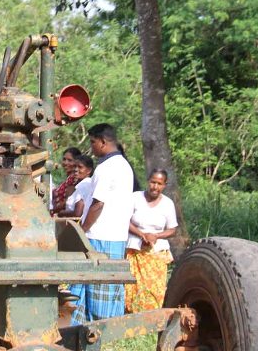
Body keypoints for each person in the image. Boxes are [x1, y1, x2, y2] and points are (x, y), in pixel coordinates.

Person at [70, 123, 134, 325]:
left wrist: (81, 231)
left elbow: (98, 204)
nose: (92, 147)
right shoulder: (123, 165)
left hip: (101, 236)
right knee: (103, 288)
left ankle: (96, 334)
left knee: (98, 294)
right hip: (115, 236)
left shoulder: (108, 168)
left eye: (93, 142)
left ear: (103, 142)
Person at [125, 169, 178, 313]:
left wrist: (156, 236)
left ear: (164, 185)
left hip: (156, 251)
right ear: (148, 181)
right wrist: (141, 234)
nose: (155, 186)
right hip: (135, 248)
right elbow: (125, 221)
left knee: (155, 287)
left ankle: (152, 320)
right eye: (153, 182)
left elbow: (172, 229)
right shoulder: (135, 197)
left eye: (159, 184)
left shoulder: (168, 203)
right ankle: (131, 316)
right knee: (133, 286)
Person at [49, 147, 81, 216]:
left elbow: (66, 202)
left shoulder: (73, 179)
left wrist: (50, 211)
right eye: (64, 159)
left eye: (70, 160)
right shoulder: (68, 179)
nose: (65, 162)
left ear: (76, 162)